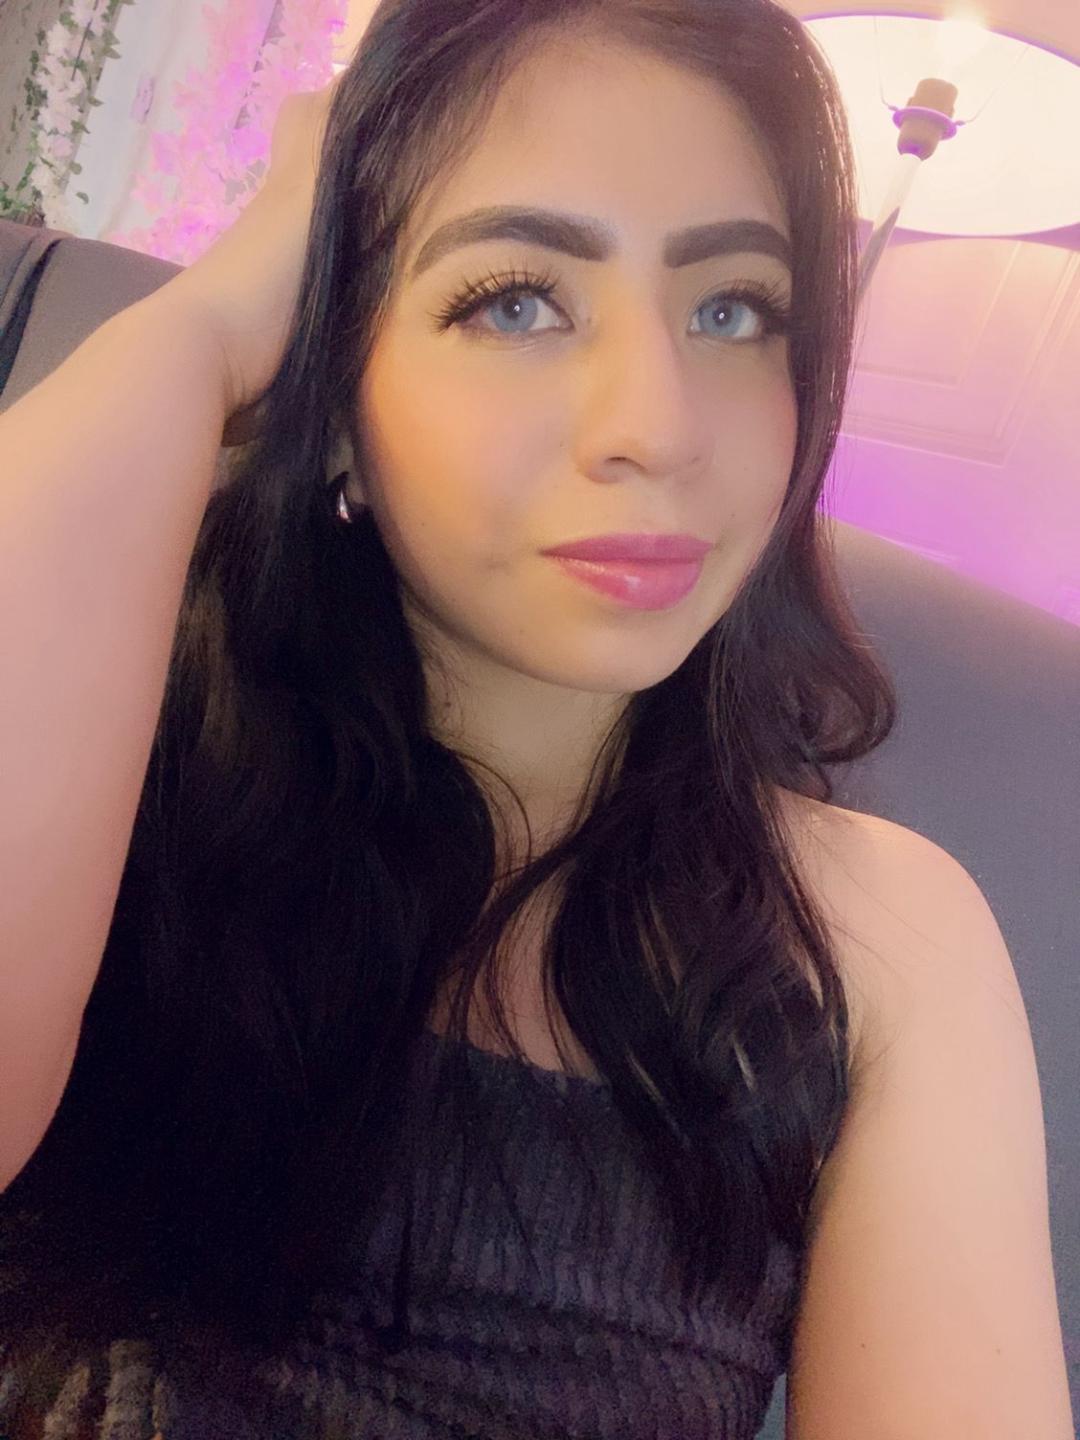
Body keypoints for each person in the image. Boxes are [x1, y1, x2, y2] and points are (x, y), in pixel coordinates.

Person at [1, 1, 1071, 1438]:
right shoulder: (116, 746)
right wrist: (197, 334)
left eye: (733, 310)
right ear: (335, 399)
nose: (657, 426)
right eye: (515, 300)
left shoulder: (880, 940)